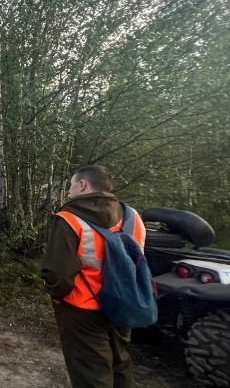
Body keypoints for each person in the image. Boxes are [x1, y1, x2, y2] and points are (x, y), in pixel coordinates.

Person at [42, 165, 146, 388]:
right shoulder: (133, 216)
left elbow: (57, 271)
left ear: (82, 185)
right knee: (120, 363)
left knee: (91, 371)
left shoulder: (69, 218)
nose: (69, 192)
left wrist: (57, 296)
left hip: (82, 309)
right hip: (123, 304)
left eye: (71, 186)